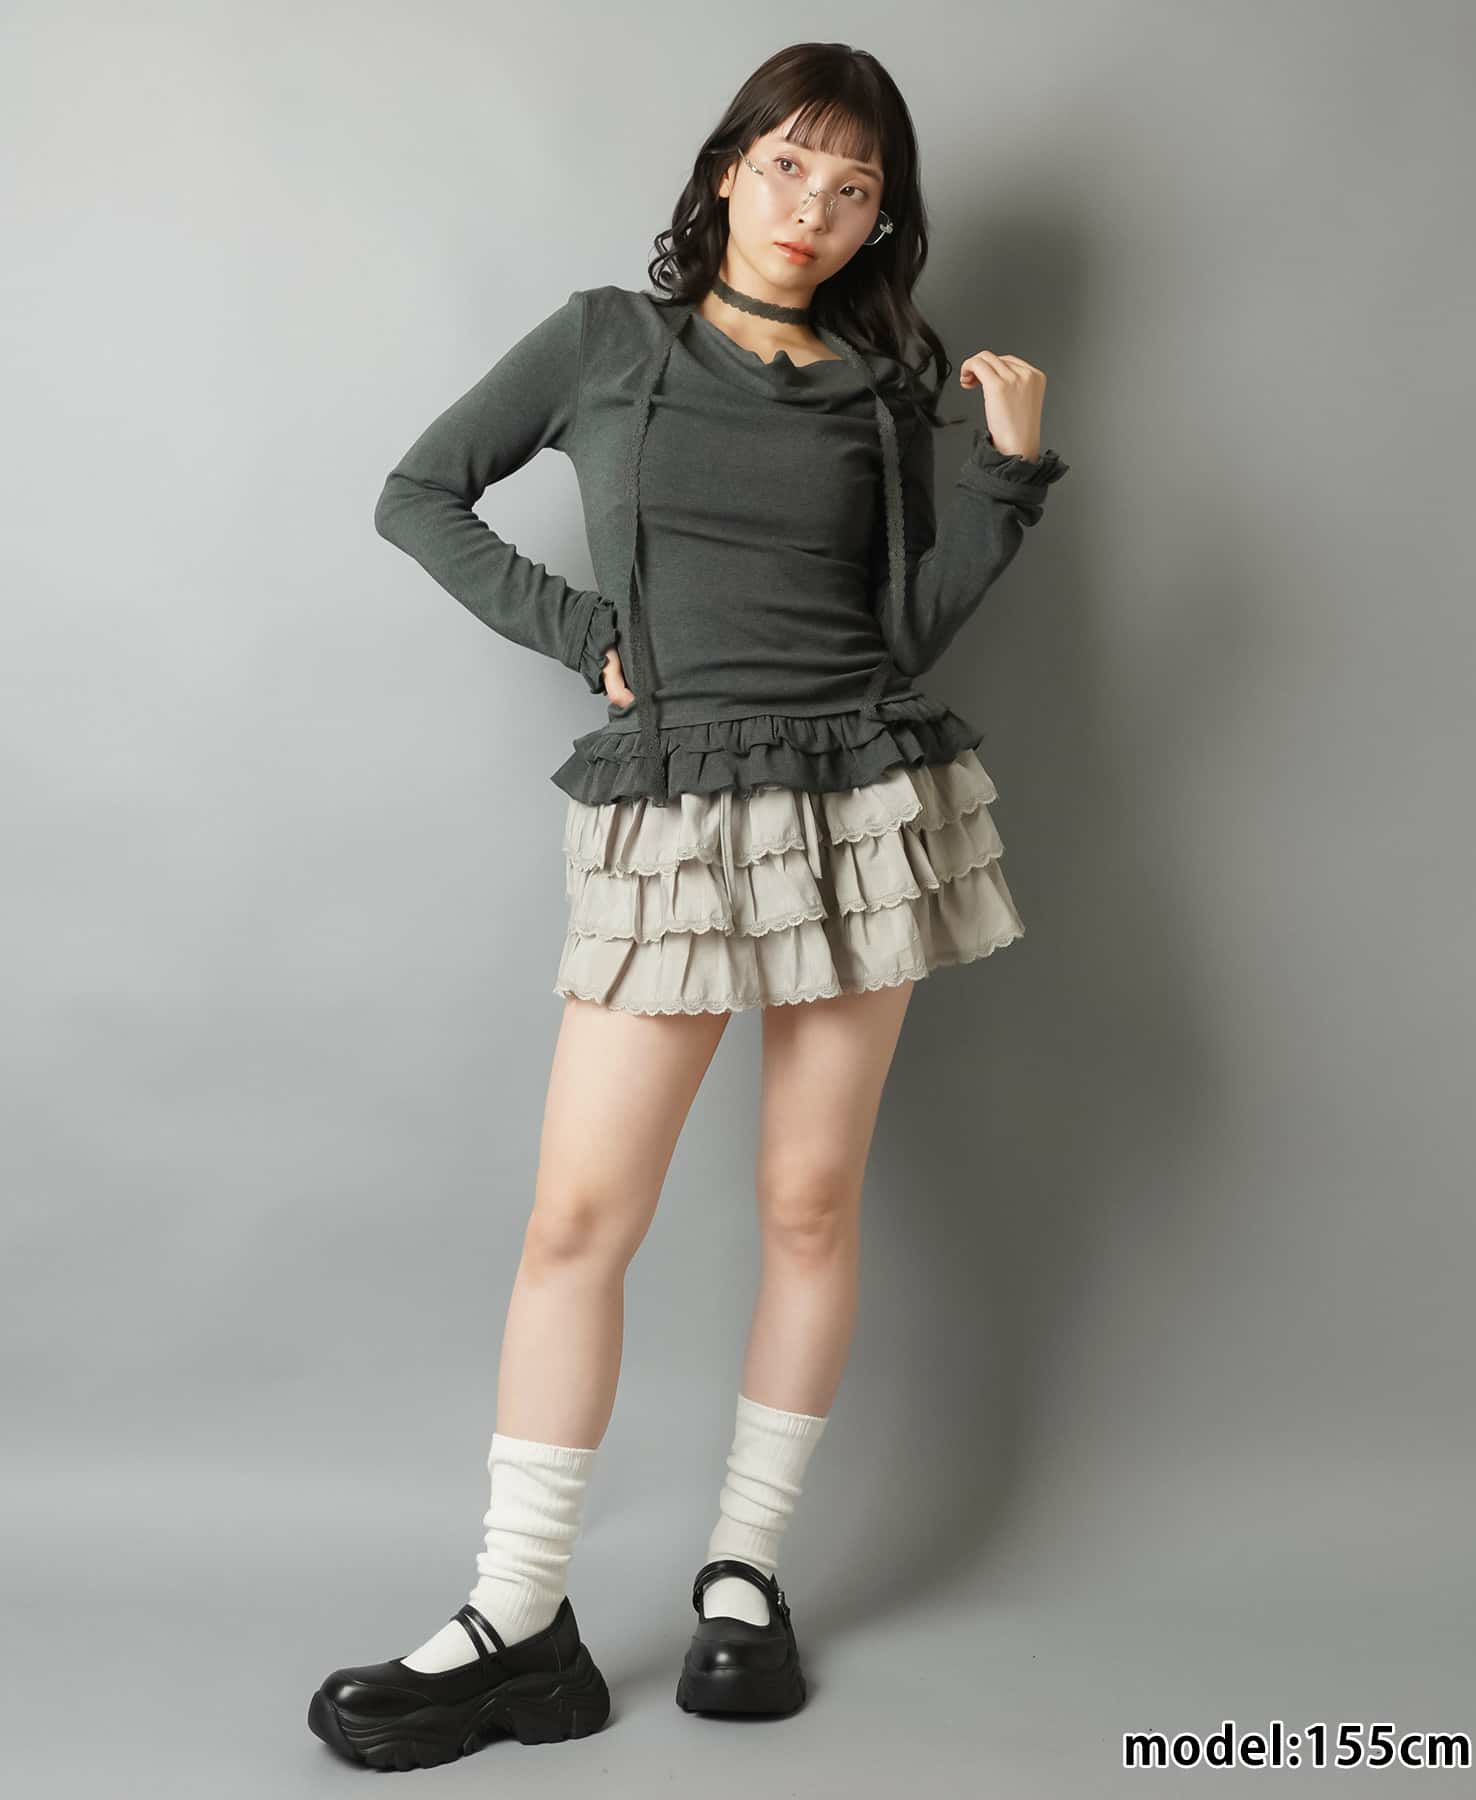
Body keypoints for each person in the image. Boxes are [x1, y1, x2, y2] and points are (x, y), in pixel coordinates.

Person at [307, 40, 1069, 1771]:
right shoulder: (606, 343)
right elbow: (418, 493)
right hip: (674, 802)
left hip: (858, 796)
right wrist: (585, 633)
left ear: (884, 224)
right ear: (729, 168)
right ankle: (521, 1617)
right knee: (579, 1218)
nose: (815, 208)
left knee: (809, 1201)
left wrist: (1009, 470)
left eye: (856, 188)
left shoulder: (886, 391)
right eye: (791, 165)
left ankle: (745, 1578)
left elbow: (904, 631)